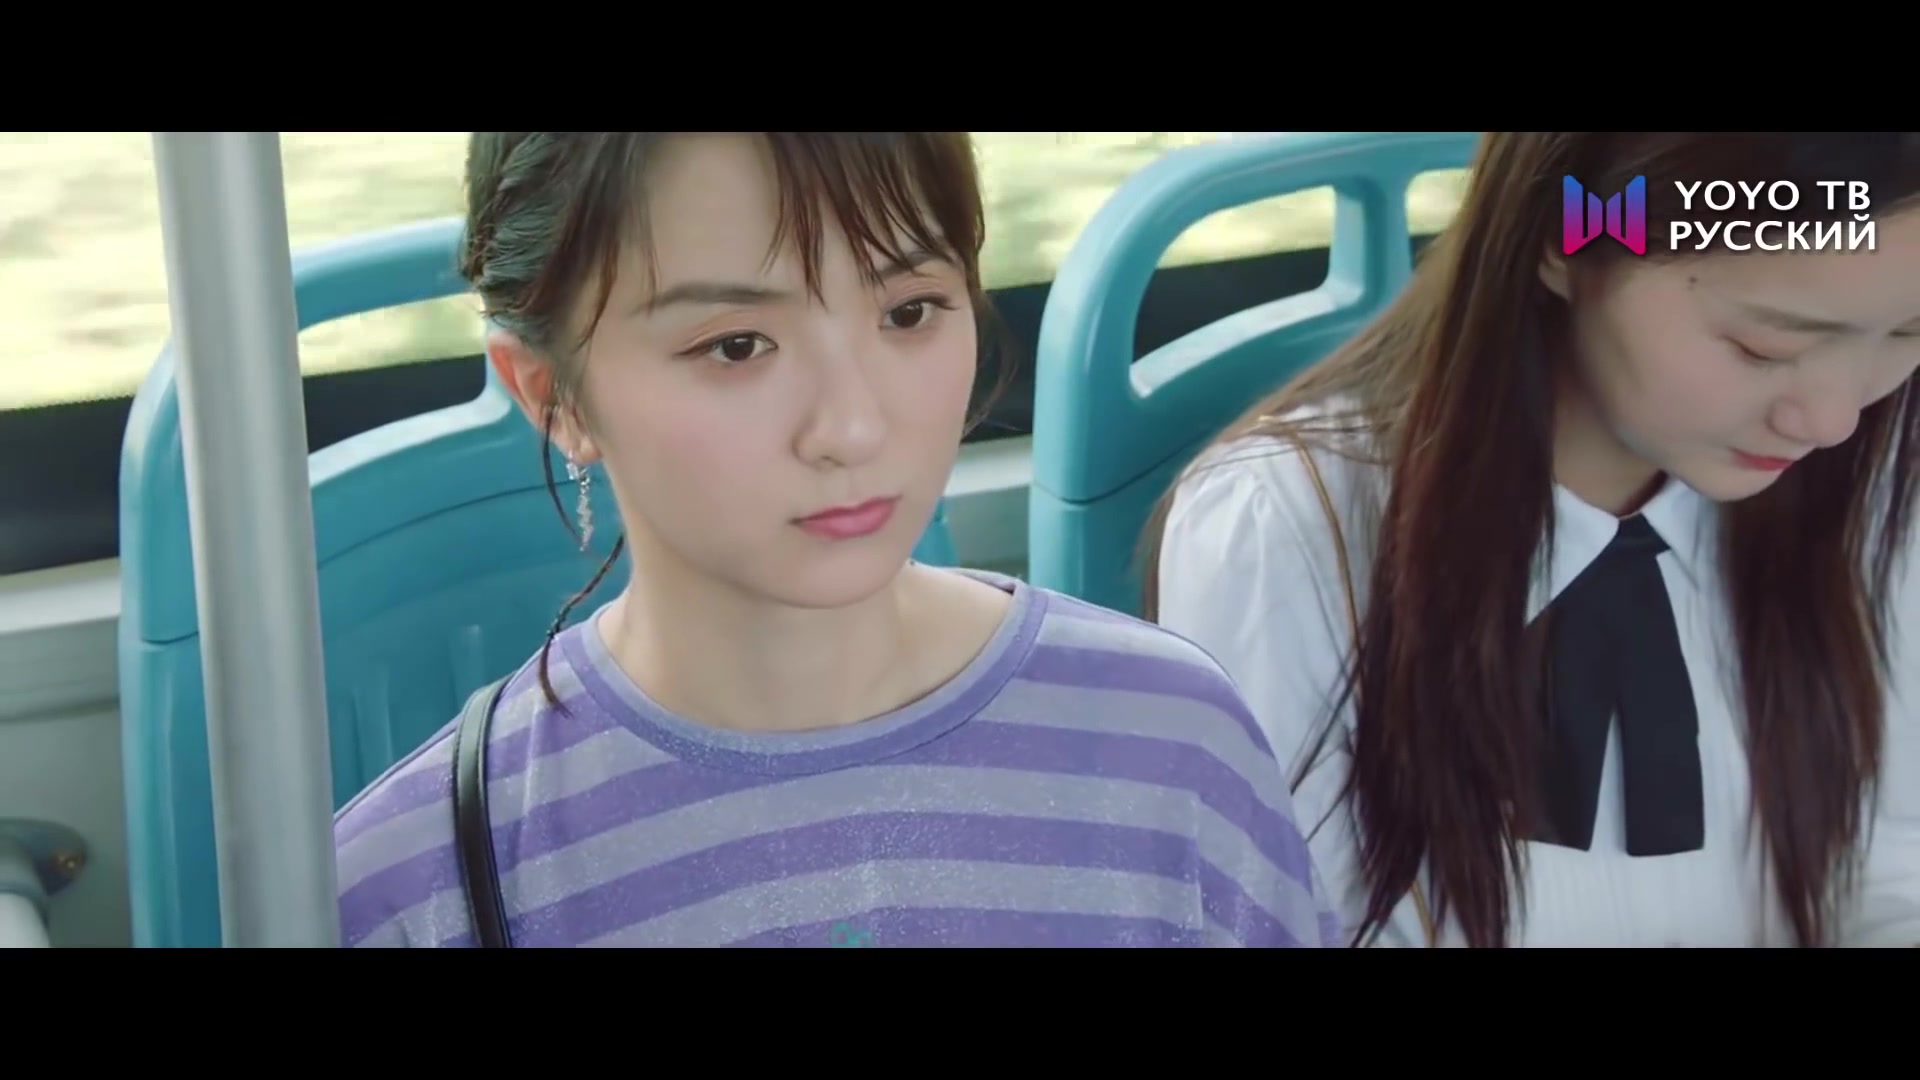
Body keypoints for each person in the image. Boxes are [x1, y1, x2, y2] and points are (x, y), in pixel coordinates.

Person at [332, 132, 1337, 948]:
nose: (851, 427)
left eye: (909, 311)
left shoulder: (1171, 747)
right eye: (737, 346)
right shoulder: (413, 886)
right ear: (553, 396)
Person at [1149, 132, 1920, 948]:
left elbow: (1893, 862)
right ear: (1569, 235)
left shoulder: (1876, 479)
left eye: (1907, 334)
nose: (1835, 419)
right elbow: (1274, 922)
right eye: (1766, 348)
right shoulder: (1288, 527)